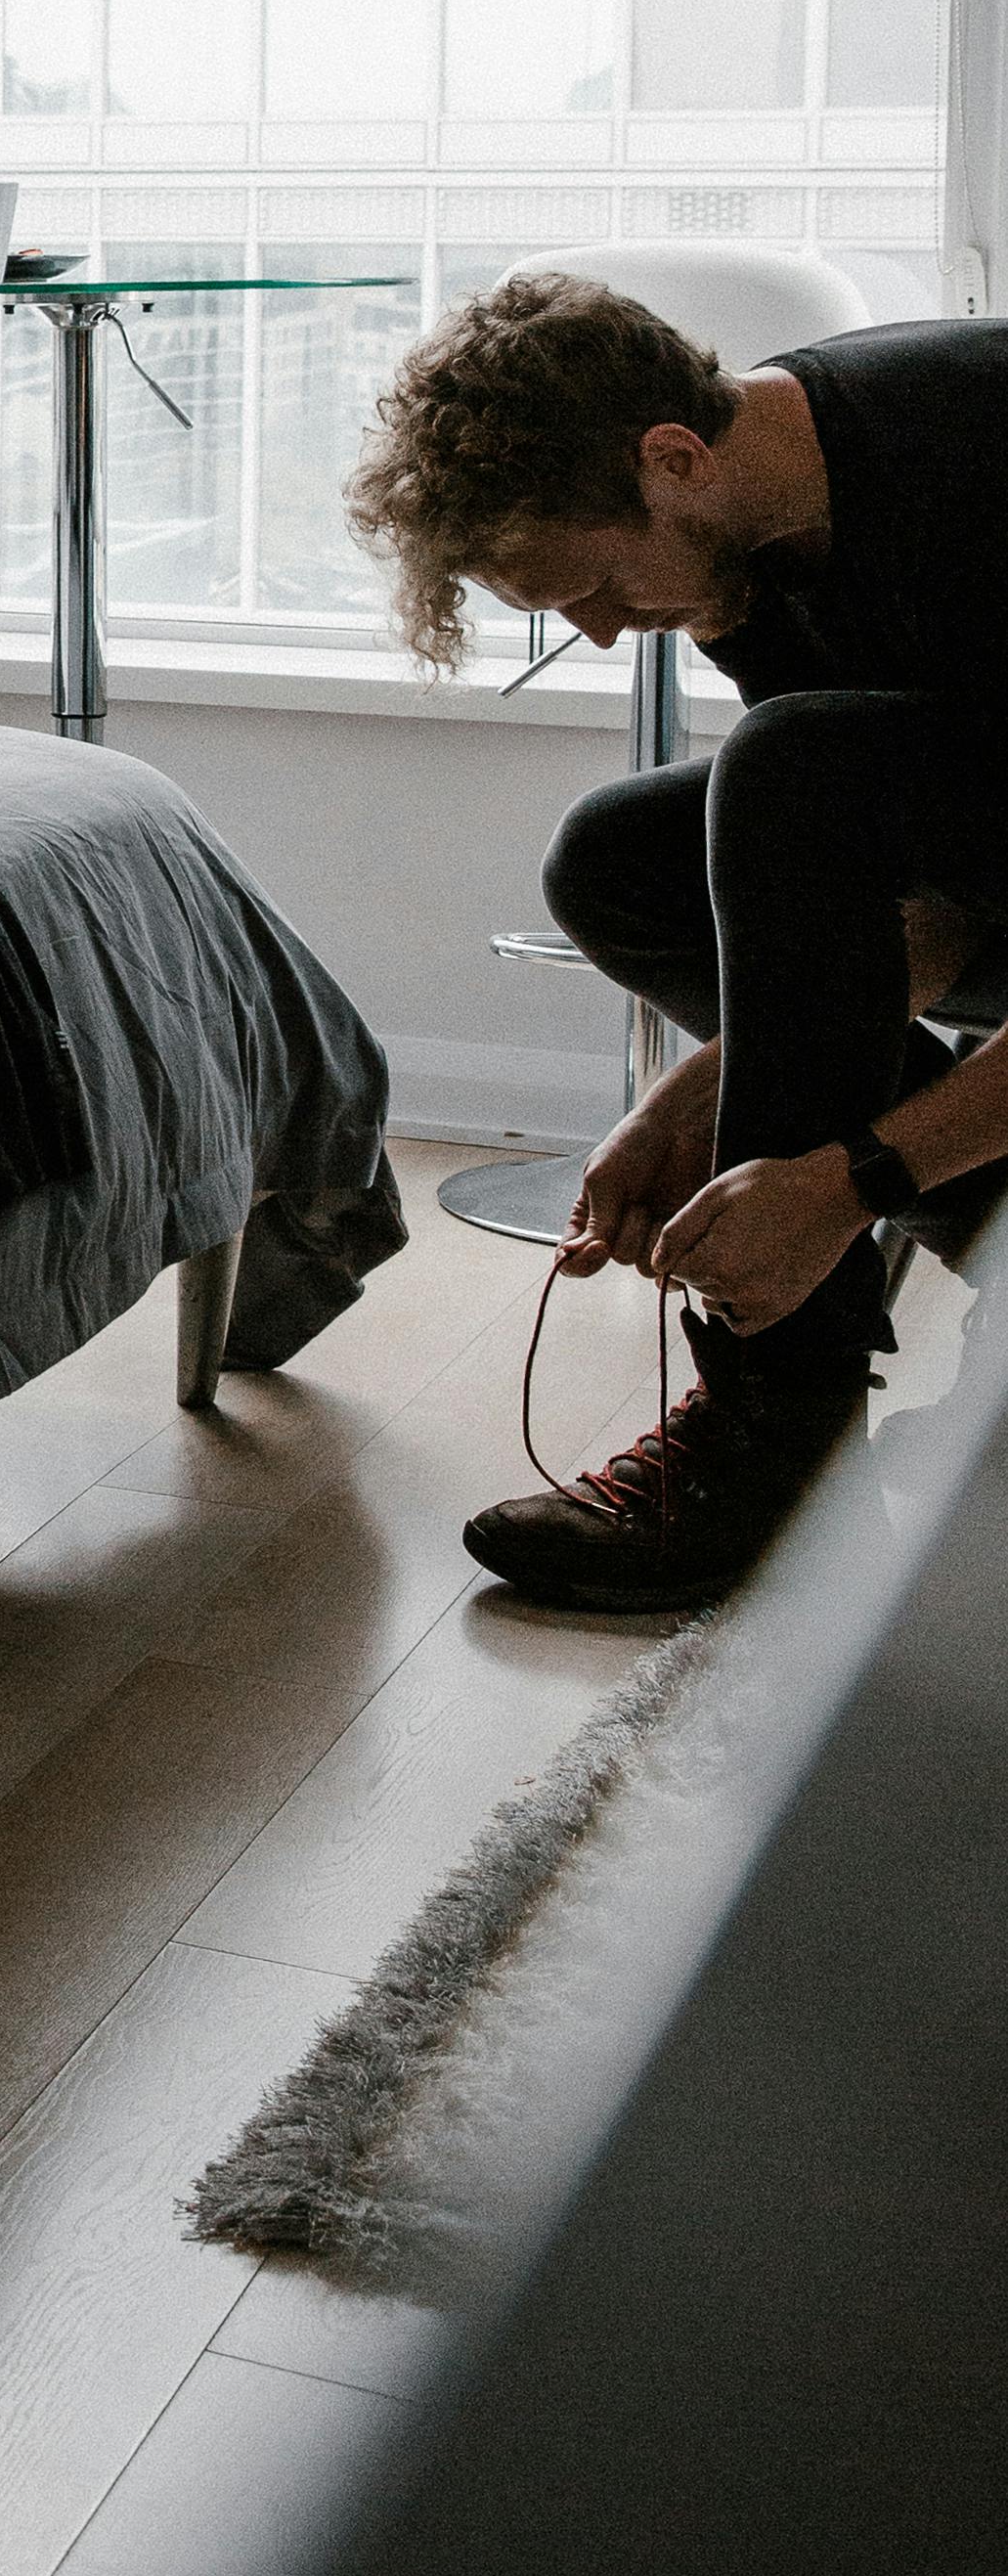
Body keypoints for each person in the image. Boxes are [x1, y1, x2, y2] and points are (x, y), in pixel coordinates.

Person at [343, 272, 1008, 1607]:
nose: (596, 629)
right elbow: (914, 914)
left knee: (786, 764)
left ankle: (770, 1437)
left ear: (672, 457)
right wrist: (689, 1105)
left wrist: (851, 1183)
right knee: (619, 859)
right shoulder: (746, 559)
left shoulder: (973, 457)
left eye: (591, 583)